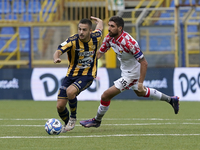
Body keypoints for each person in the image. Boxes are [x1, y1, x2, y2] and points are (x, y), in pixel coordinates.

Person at [79, 16, 179, 128]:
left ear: (120, 28)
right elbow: (98, 54)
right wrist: (85, 61)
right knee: (140, 92)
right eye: (109, 25)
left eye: (112, 26)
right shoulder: (109, 38)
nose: (109, 28)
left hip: (132, 74)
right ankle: (171, 100)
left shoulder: (129, 43)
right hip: (125, 72)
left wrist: (140, 82)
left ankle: (96, 121)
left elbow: (144, 63)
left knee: (105, 96)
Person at [53, 16, 103, 132]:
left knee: (70, 91)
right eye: (79, 29)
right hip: (70, 76)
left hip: (87, 75)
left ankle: (73, 118)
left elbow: (100, 28)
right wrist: (56, 58)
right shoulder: (72, 41)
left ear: (90, 31)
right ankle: (67, 125)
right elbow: (59, 50)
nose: (81, 32)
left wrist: (100, 22)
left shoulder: (96, 37)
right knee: (60, 106)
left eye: (84, 30)